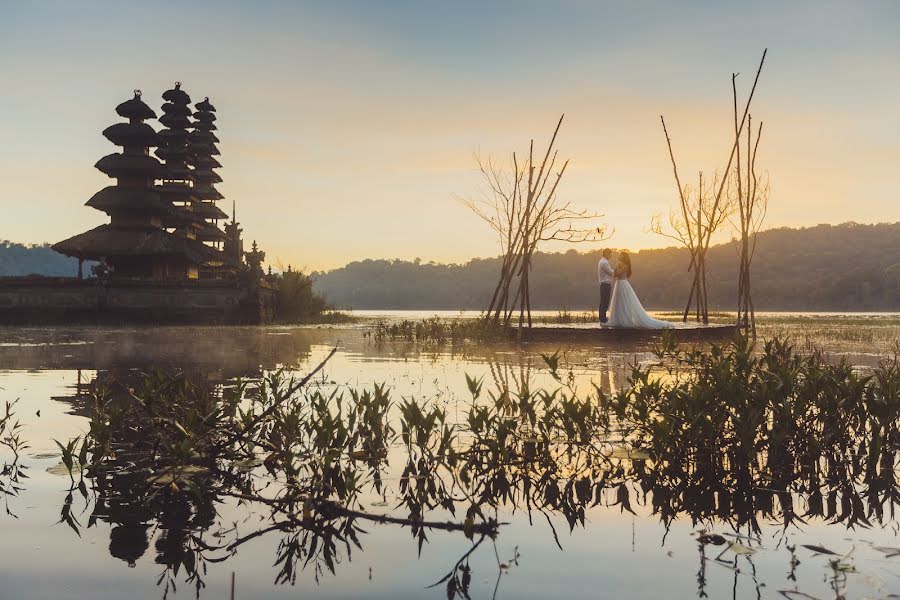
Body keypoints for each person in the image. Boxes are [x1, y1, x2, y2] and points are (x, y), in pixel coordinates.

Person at [607, 251, 673, 329]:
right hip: (618, 284)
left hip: (622, 284)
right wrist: (617, 267)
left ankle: (625, 320)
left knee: (624, 302)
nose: (619, 256)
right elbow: (615, 274)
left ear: (624, 257)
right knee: (618, 303)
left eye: (620, 255)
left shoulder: (625, 266)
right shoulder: (619, 264)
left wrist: (617, 267)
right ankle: (617, 320)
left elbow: (617, 274)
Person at [597, 249, 614, 323]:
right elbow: (610, 273)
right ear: (606, 253)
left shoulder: (602, 261)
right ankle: (603, 319)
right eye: (610, 254)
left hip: (603, 284)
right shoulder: (604, 262)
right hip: (605, 284)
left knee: (603, 302)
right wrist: (617, 270)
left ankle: (602, 318)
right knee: (605, 302)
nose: (611, 255)